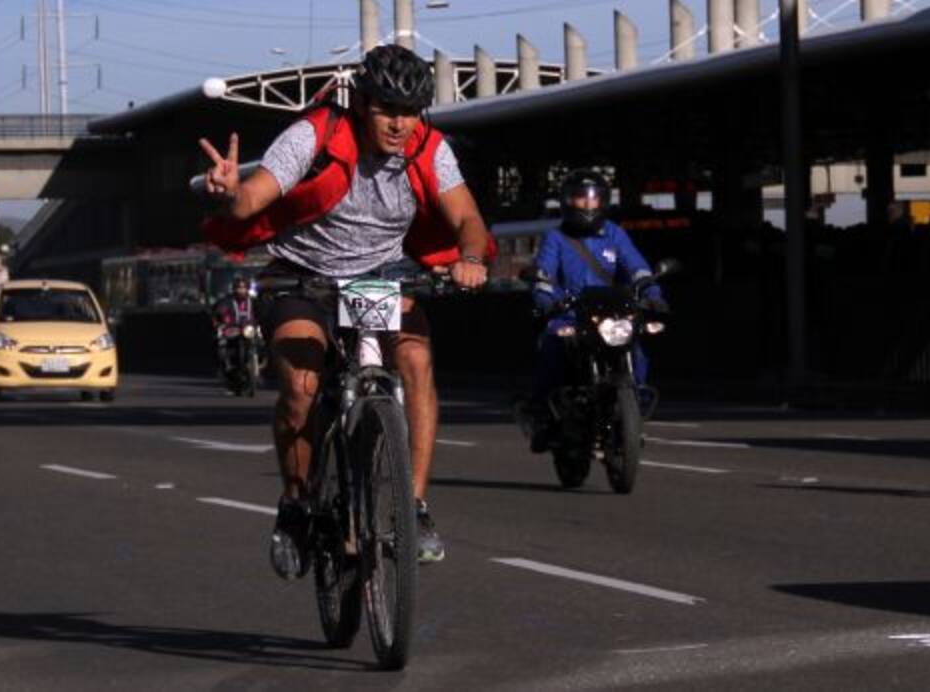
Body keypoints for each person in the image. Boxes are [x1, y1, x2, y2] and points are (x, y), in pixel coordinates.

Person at [199, 43, 491, 577]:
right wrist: (229, 192)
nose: (399, 124)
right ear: (361, 103)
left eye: (409, 112)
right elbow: (251, 200)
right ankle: (294, 508)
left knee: (417, 363)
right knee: (302, 388)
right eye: (386, 110)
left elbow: (467, 217)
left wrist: (470, 258)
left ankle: (416, 509)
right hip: (302, 277)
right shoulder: (316, 133)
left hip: (380, 278)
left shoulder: (431, 147)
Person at [519, 169, 667, 452]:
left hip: (612, 316)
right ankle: (540, 415)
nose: (587, 205)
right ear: (567, 202)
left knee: (636, 351)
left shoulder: (615, 233)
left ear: (604, 202)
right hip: (570, 314)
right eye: (580, 199)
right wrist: (545, 299)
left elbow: (636, 266)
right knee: (552, 347)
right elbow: (544, 274)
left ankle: (634, 407)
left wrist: (652, 294)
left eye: (593, 200)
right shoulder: (556, 237)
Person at [211, 275, 257, 379]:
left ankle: (258, 365)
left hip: (249, 329)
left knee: (262, 342)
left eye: (244, 288)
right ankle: (226, 366)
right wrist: (221, 320)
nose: (241, 290)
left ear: (248, 289)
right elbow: (218, 311)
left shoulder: (254, 301)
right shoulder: (227, 301)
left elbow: (261, 312)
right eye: (239, 288)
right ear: (234, 289)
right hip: (232, 329)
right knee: (221, 345)